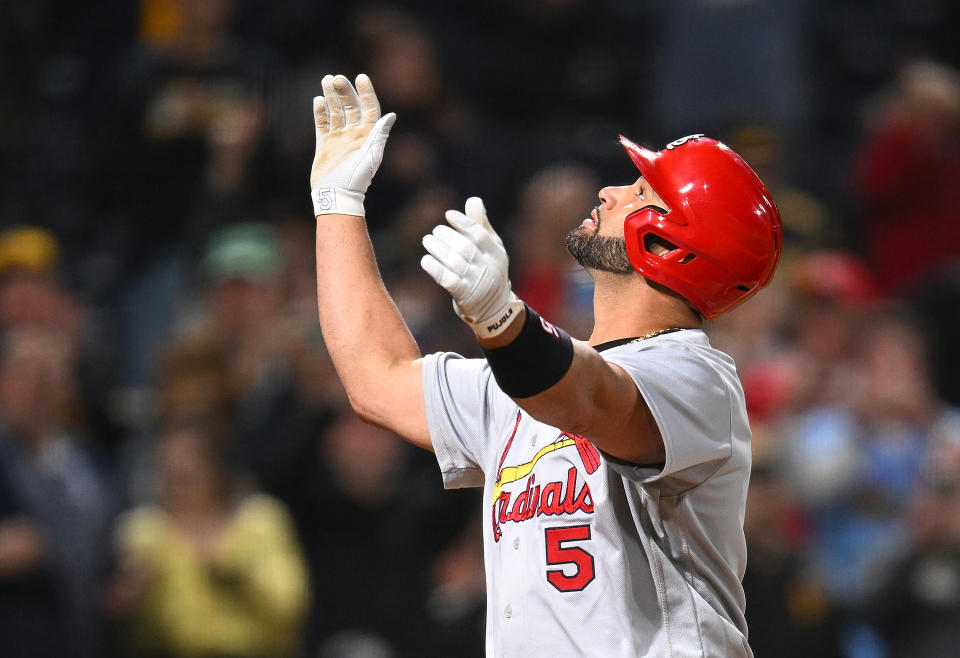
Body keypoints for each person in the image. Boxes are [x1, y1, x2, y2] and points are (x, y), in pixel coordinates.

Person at [309, 74, 781, 656]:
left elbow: (589, 399)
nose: (610, 192)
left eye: (640, 193)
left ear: (668, 246)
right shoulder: (527, 377)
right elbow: (377, 382)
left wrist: (501, 319)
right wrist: (336, 206)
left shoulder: (697, 377)